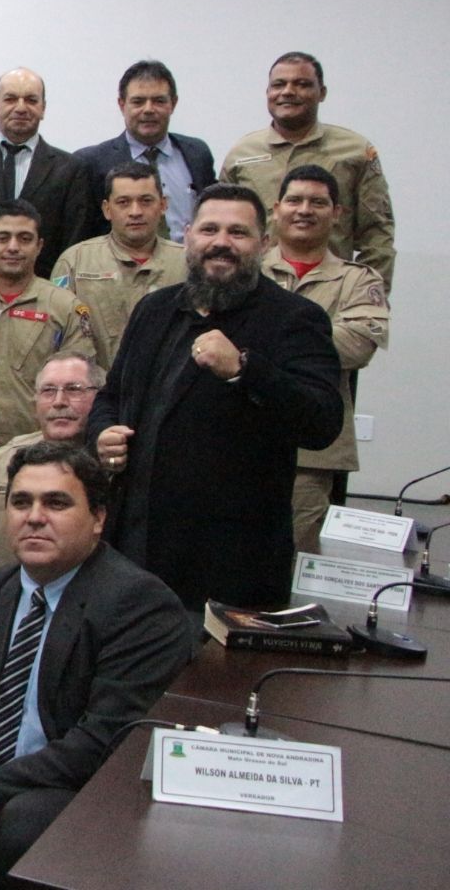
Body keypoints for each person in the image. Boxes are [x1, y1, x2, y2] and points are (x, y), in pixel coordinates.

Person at [0, 442, 194, 890]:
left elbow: (106, 737)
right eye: (21, 502)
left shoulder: (138, 604)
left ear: (98, 518)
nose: (35, 516)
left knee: (24, 823)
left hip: (83, 790)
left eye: (57, 503)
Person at [89, 184, 344, 611]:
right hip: (132, 547)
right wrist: (102, 434)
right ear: (187, 236)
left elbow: (322, 422)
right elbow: (112, 395)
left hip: (229, 567)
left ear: (264, 243)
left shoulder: (295, 319)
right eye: (209, 229)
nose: (221, 243)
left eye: (238, 233)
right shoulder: (154, 309)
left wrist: (246, 369)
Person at [263, 166, 389, 551]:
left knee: (294, 561)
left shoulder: (359, 281)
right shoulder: (245, 269)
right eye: (295, 200)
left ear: (337, 213)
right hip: (235, 439)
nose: (304, 210)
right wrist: (313, 340)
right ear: (276, 208)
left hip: (312, 452)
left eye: (318, 202)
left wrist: (263, 337)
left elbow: (356, 348)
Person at [221, 51, 396, 289]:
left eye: (302, 84)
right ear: (268, 93)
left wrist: (368, 291)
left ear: (322, 93)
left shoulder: (355, 151)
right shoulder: (242, 154)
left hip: (331, 289)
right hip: (256, 290)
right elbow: (223, 228)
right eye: (279, 85)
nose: (288, 92)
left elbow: (377, 234)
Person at [0, 201, 97, 450]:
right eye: (2, 238)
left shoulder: (65, 308)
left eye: (24, 238)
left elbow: (79, 389)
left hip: (47, 451)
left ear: (39, 246)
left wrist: (44, 446)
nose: (13, 247)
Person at [0, 353, 104, 564]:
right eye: (48, 391)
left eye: (74, 390)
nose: (59, 402)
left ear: (100, 397)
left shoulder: (118, 461)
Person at [0, 68, 89, 282]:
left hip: (45, 293)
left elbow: (74, 242)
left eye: (31, 100)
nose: (21, 108)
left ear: (43, 108)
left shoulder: (70, 168)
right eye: (10, 99)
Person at [50, 162, 187, 368]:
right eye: (123, 202)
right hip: (94, 392)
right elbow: (55, 337)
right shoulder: (74, 262)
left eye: (146, 201)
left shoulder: (189, 263)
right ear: (107, 209)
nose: (135, 212)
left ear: (163, 205)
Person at [71, 60, 216, 241]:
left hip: (190, 264)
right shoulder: (90, 163)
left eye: (159, 101)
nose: (148, 110)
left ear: (173, 103)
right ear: (122, 105)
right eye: (138, 101)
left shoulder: (197, 154)